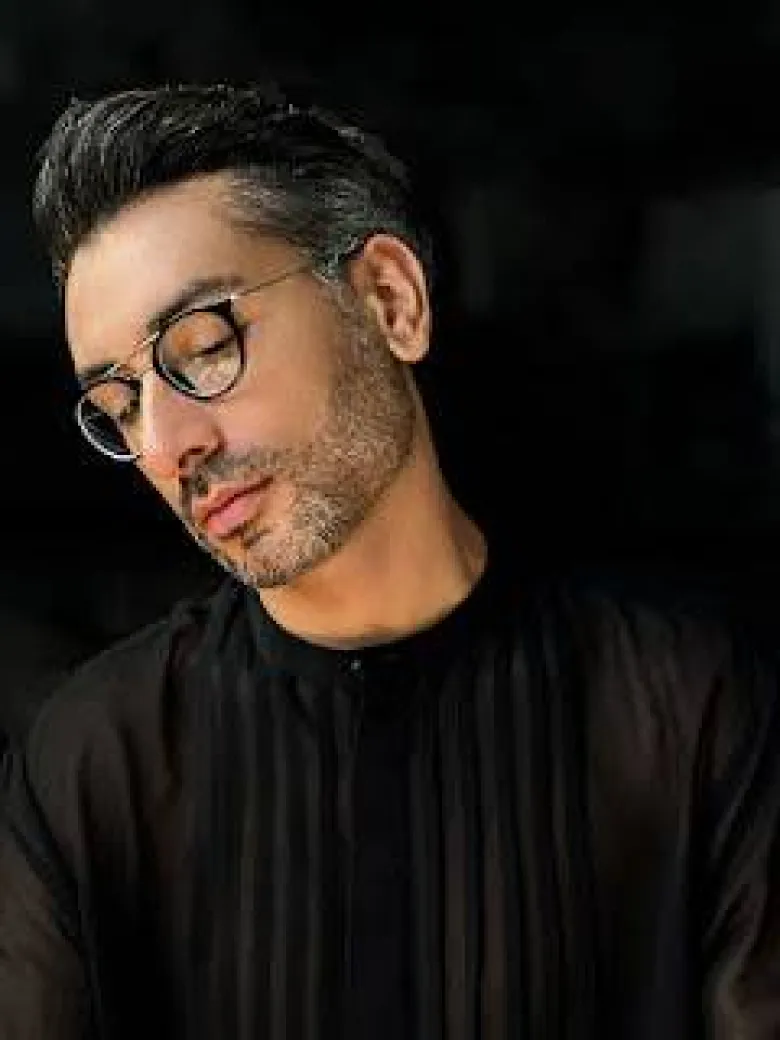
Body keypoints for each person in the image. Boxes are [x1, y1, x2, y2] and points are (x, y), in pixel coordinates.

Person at [1, 83, 779, 1040]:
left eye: (201, 349)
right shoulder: (93, 764)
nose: (166, 447)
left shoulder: (690, 709)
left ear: (389, 301)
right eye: (120, 408)